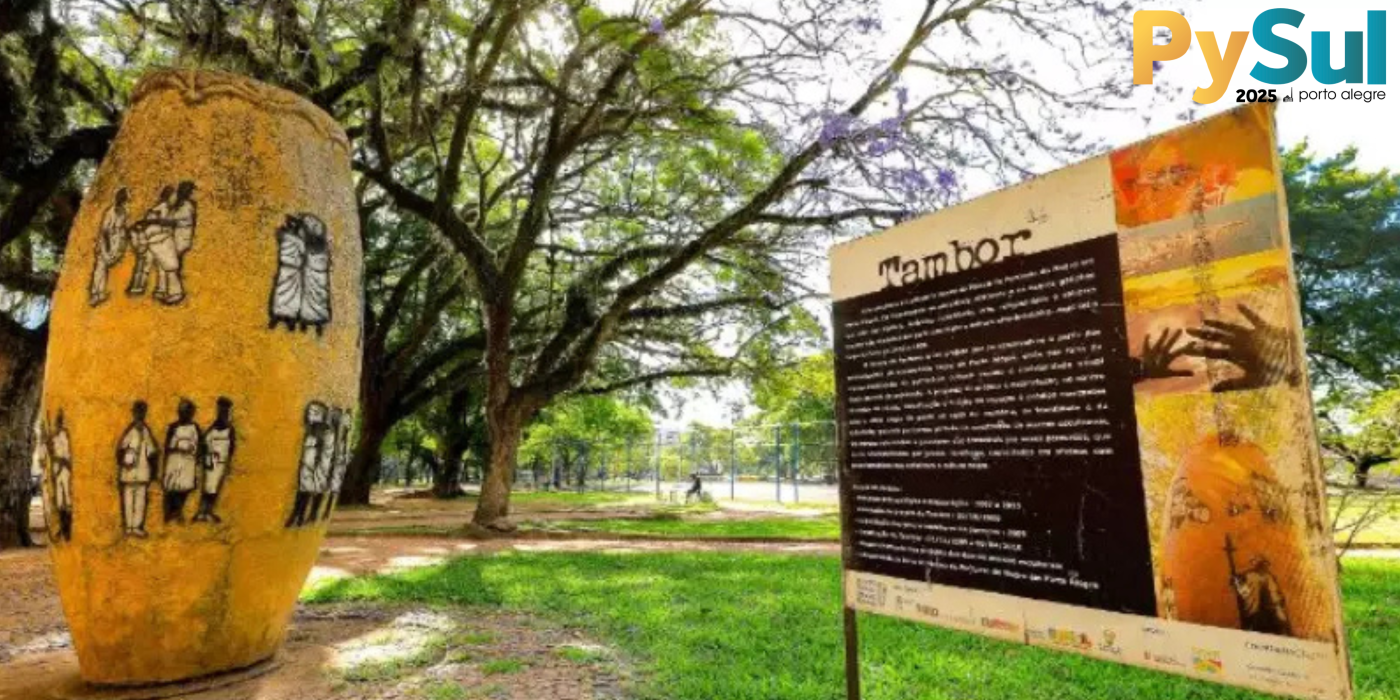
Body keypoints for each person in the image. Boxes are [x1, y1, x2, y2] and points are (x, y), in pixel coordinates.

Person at [147, 181, 196, 304]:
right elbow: (163, 211)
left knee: (169, 263)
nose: (188, 193)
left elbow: (172, 221)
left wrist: (157, 221)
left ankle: (176, 292)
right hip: (174, 237)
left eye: (188, 191)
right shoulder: (178, 204)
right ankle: (162, 289)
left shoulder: (187, 206)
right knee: (163, 262)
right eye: (187, 191)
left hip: (182, 238)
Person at [117, 401, 158, 537]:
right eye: (137, 413)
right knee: (128, 498)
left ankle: (137, 526)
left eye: (142, 413)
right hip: (128, 472)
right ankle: (129, 527)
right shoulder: (129, 431)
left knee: (140, 499)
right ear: (134, 414)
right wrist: (124, 461)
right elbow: (120, 449)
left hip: (142, 472)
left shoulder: (146, 431)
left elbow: (152, 452)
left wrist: (153, 471)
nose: (139, 416)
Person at [286, 401, 329, 527]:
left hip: (317, 467)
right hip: (306, 465)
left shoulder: (325, 431)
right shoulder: (309, 429)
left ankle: (305, 515)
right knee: (302, 491)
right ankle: (297, 515)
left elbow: (325, 452)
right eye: (310, 412)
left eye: (315, 413)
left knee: (309, 491)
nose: (311, 415)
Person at [194, 397, 235, 524]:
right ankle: (202, 512)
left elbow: (231, 448)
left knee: (214, 488)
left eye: (224, 411)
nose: (222, 413)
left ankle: (207, 511)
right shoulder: (212, 428)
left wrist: (228, 463)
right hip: (211, 461)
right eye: (220, 410)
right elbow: (203, 444)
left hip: (221, 463)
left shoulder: (230, 429)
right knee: (207, 487)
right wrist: (201, 457)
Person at [127, 186, 172, 297]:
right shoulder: (161, 206)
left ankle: (149, 289)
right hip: (153, 239)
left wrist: (146, 223)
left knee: (153, 266)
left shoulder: (160, 207)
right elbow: (160, 222)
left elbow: (162, 222)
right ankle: (148, 289)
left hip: (155, 239)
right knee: (152, 266)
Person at [162, 399, 201, 524]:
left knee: (184, 487)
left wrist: (194, 451)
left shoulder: (195, 427)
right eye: (181, 411)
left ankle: (178, 511)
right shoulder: (173, 427)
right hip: (174, 460)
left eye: (186, 411)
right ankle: (170, 513)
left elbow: (200, 445)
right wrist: (178, 446)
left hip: (188, 462)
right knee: (172, 487)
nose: (183, 414)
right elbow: (167, 446)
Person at [89, 188, 129, 306]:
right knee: (100, 268)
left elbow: (122, 227)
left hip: (115, 242)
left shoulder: (124, 211)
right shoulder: (110, 212)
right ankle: (96, 294)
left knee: (103, 268)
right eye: (124, 197)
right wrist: (107, 247)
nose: (126, 199)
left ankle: (100, 293)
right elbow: (105, 231)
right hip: (107, 243)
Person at [1232, 555, 1291, 636]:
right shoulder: (1249, 576)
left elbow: (1276, 594)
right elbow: (1245, 592)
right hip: (1258, 613)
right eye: (1262, 564)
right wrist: (1237, 582)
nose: (1264, 566)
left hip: (1271, 612)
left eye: (1264, 564)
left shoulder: (1269, 577)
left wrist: (1279, 608)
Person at [49, 411, 73, 542]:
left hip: (65, 468)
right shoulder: (54, 435)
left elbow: (67, 453)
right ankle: (62, 529)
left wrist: (64, 462)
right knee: (59, 500)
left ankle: (67, 530)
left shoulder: (64, 434)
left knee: (67, 499)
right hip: (57, 467)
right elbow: (52, 453)